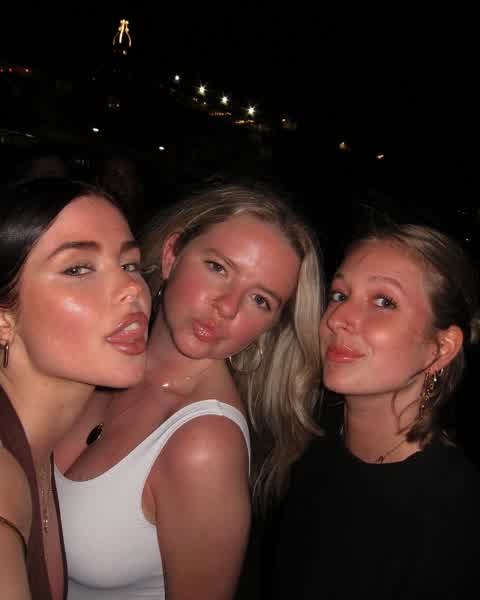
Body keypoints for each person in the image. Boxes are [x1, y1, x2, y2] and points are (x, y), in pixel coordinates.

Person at [54, 182, 324, 600]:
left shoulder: (205, 443)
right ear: (171, 255)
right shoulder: (94, 363)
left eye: (260, 300)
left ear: (269, 327)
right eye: (218, 267)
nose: (227, 307)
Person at [272, 221, 480, 599]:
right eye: (339, 294)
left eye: (384, 301)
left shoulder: (453, 510)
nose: (337, 318)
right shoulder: (311, 434)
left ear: (441, 349)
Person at [0, 178, 151, 600]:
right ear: (3, 319)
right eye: (78, 269)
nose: (132, 289)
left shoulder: (42, 439)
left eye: (130, 264)